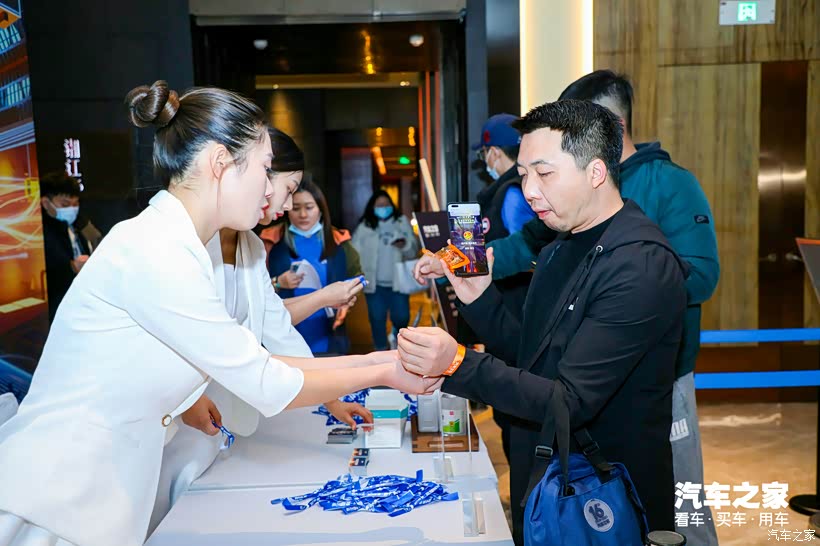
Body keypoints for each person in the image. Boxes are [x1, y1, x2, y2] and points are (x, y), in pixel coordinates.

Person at [0, 80, 437, 546]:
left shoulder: (177, 242)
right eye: (265, 169)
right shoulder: (156, 249)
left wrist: (381, 364)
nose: (270, 191)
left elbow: (245, 356)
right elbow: (262, 376)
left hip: (99, 498)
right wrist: (385, 367)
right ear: (219, 162)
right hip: (54, 501)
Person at [415, 69, 720, 545]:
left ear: (595, 172)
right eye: (523, 175)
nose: (530, 191)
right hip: (553, 483)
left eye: (544, 174)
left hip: (610, 497)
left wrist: (457, 363)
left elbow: (569, 401)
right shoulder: (561, 245)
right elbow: (530, 354)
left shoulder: (641, 265)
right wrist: (478, 298)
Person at [150, 127, 371, 533]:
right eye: (287, 190)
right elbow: (166, 339)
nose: (285, 205)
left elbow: (281, 333)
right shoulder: (178, 240)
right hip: (169, 421)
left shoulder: (250, 246)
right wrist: (185, 398)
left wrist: (332, 400)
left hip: (215, 422)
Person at [473, 113, 537, 465]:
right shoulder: (507, 191)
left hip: (518, 318)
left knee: (517, 417)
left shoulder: (513, 194)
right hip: (508, 316)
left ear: (494, 152)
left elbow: (531, 254)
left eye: (485, 154)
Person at [266, 179, 362, 355]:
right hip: (286, 335)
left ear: (320, 209)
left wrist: (348, 299)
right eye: (296, 208)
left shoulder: (339, 242)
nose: (303, 214)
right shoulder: (269, 242)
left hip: (330, 334)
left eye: (309, 207)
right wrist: (278, 282)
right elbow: (254, 292)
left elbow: (356, 277)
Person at [351, 191, 419, 350]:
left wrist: (405, 245)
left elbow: (413, 251)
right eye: (379, 205)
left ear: (392, 206)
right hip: (374, 285)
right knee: (377, 319)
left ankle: (396, 337)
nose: (383, 208)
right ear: (372, 207)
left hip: (398, 283)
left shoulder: (401, 222)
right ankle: (380, 349)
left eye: (386, 204)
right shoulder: (365, 226)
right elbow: (354, 252)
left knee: (402, 317)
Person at [39, 171, 91, 321]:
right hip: (55, 311)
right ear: (46, 203)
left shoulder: (78, 227)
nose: (72, 209)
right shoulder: (39, 235)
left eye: (76, 204)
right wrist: (72, 268)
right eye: (65, 205)